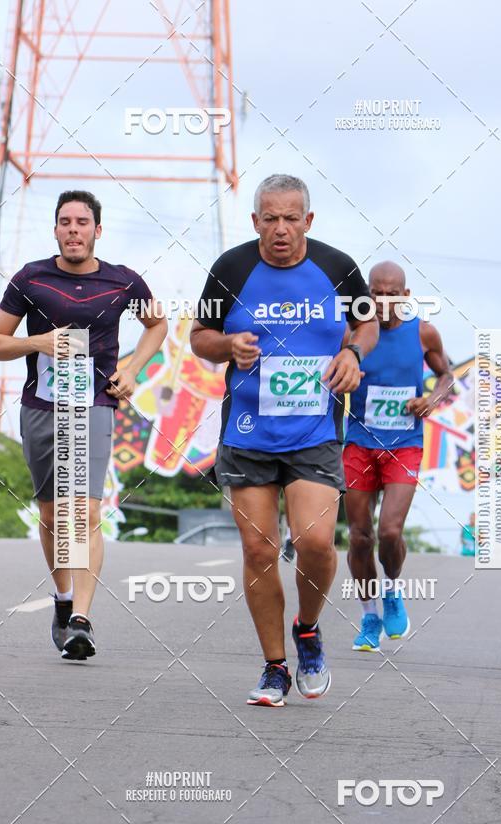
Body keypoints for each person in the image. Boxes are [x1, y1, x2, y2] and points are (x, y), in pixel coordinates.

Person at [190, 173, 378, 707]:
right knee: (258, 548)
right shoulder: (230, 269)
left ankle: (309, 630)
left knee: (316, 543)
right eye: (269, 218)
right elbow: (197, 337)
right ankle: (275, 667)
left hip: (314, 431)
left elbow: (366, 326)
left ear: (308, 221)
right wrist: (227, 344)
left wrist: (352, 354)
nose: (280, 229)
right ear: (255, 222)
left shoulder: (338, 268)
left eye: (290, 218)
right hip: (248, 431)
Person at [0, 190, 167, 660]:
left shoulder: (122, 281)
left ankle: (82, 620)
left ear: (97, 230)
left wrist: (132, 369)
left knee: (83, 514)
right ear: (55, 230)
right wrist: (39, 342)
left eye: (82, 222)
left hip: (94, 407)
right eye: (65, 222)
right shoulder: (30, 278)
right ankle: (64, 600)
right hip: (42, 408)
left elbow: (158, 326)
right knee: (50, 516)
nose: (73, 230)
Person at [343, 261, 452, 650]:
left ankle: (392, 590)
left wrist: (431, 399)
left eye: (392, 294)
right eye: (376, 292)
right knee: (359, 537)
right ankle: (369, 615)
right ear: (367, 294)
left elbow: (446, 374)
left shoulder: (422, 332)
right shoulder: (352, 334)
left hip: (404, 444)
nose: (383, 300)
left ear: (405, 297)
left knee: (389, 531)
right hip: (358, 443)